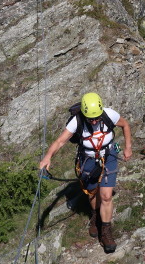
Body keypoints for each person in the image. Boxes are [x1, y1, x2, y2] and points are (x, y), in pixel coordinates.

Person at [39, 92, 132, 253]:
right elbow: (60, 141)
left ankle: (106, 230)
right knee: (92, 193)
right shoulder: (77, 121)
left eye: (97, 118)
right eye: (91, 119)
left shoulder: (109, 115)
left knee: (106, 196)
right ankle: (95, 214)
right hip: (88, 160)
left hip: (108, 156)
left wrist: (128, 147)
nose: (94, 121)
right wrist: (48, 157)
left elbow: (125, 125)